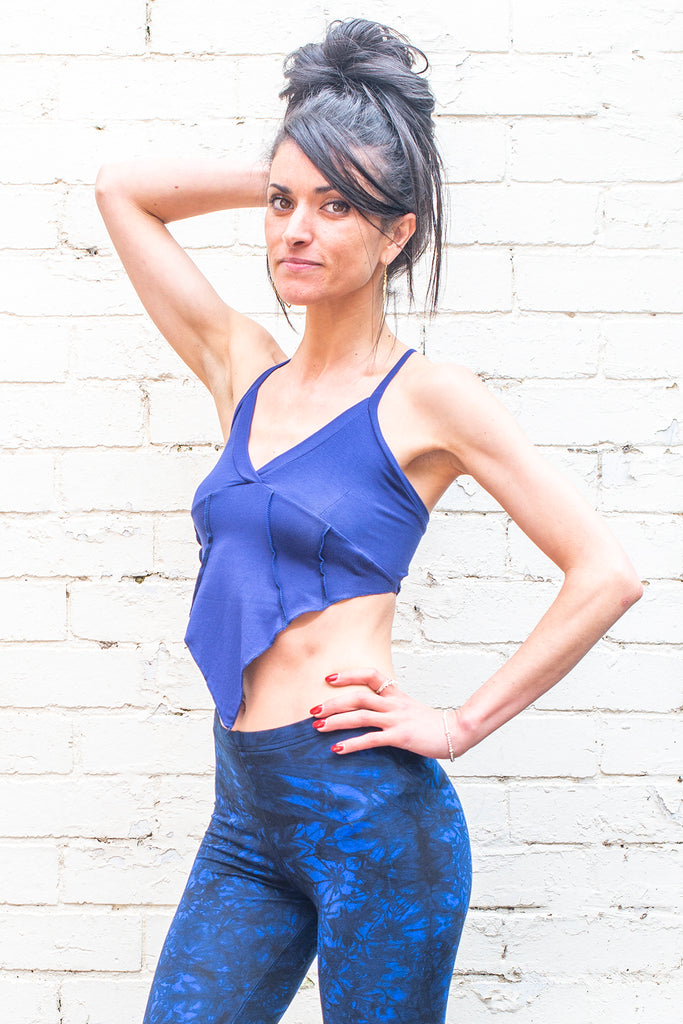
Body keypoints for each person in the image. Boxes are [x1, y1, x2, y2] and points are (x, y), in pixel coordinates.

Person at [95, 18, 642, 1024]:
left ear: (397, 232)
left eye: (336, 205)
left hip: (370, 821)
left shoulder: (428, 398)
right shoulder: (242, 368)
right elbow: (120, 193)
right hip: (244, 815)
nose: (296, 229)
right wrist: (295, 157)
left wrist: (460, 722)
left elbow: (603, 571)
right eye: (281, 203)